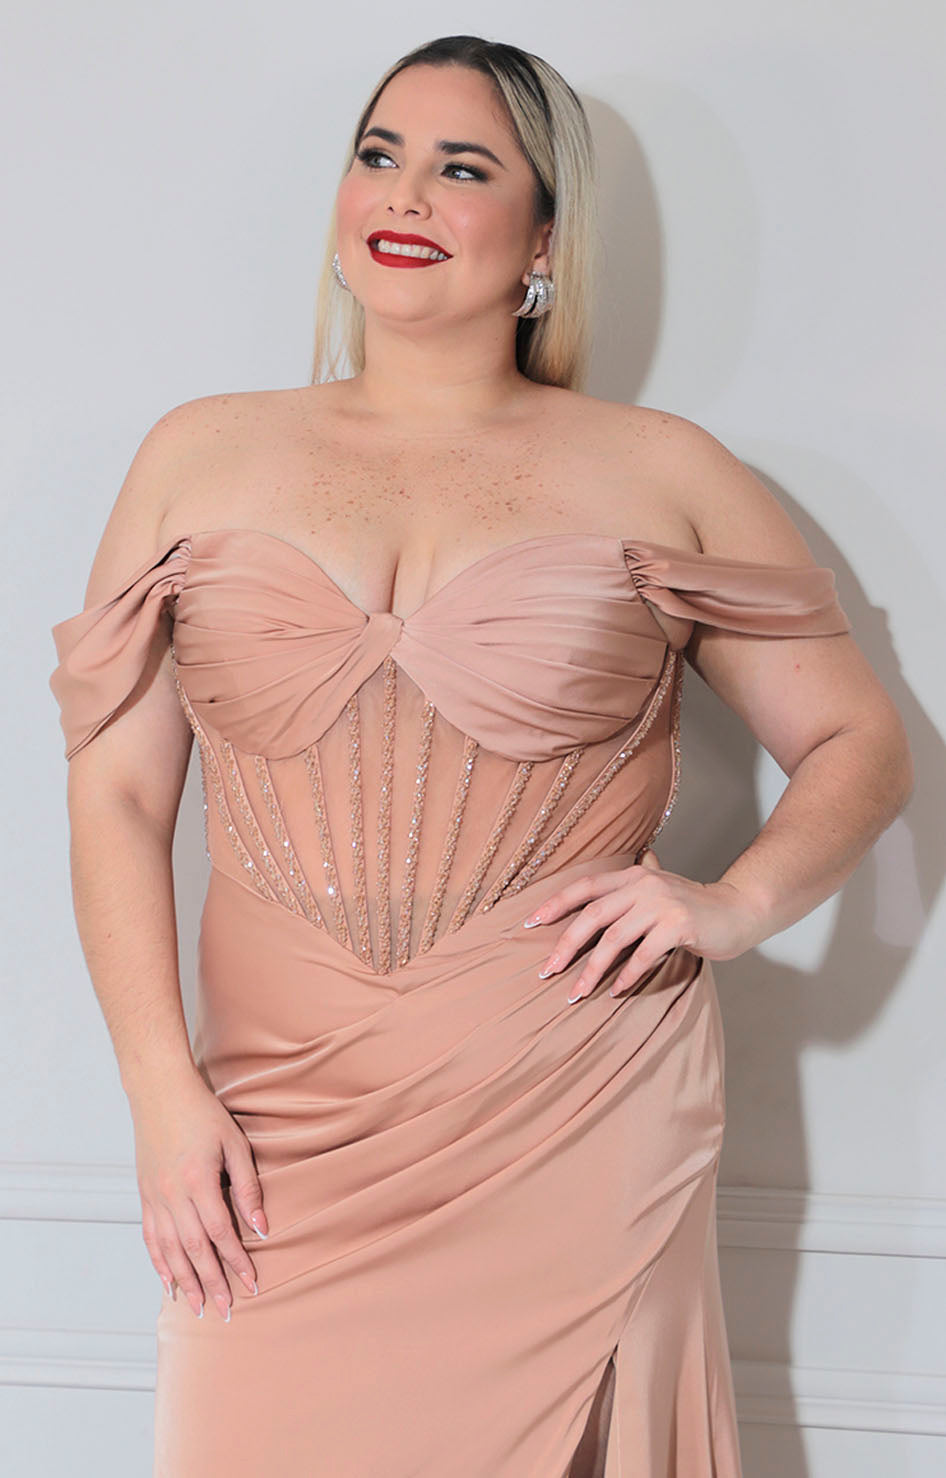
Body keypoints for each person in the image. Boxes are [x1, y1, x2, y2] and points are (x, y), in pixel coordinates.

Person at [48, 33, 912, 1478]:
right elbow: (119, 793)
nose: (406, 194)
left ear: (546, 237)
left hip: (574, 1104)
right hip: (277, 1121)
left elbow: (859, 741)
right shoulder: (197, 453)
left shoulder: (661, 469)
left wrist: (729, 904)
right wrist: (157, 1088)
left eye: (464, 168)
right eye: (378, 154)